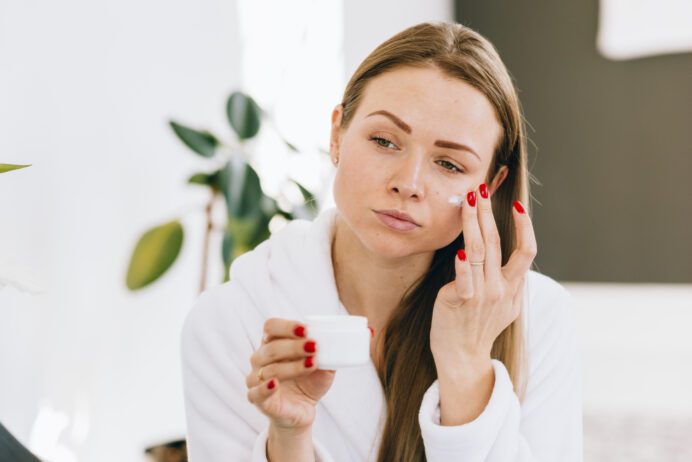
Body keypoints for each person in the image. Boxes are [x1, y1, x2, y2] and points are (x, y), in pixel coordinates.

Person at [180, 20, 583, 462]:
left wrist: (467, 368)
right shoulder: (230, 320)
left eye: (449, 164)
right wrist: (289, 438)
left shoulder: (538, 320)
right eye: (384, 141)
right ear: (337, 134)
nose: (408, 183)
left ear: (493, 183)